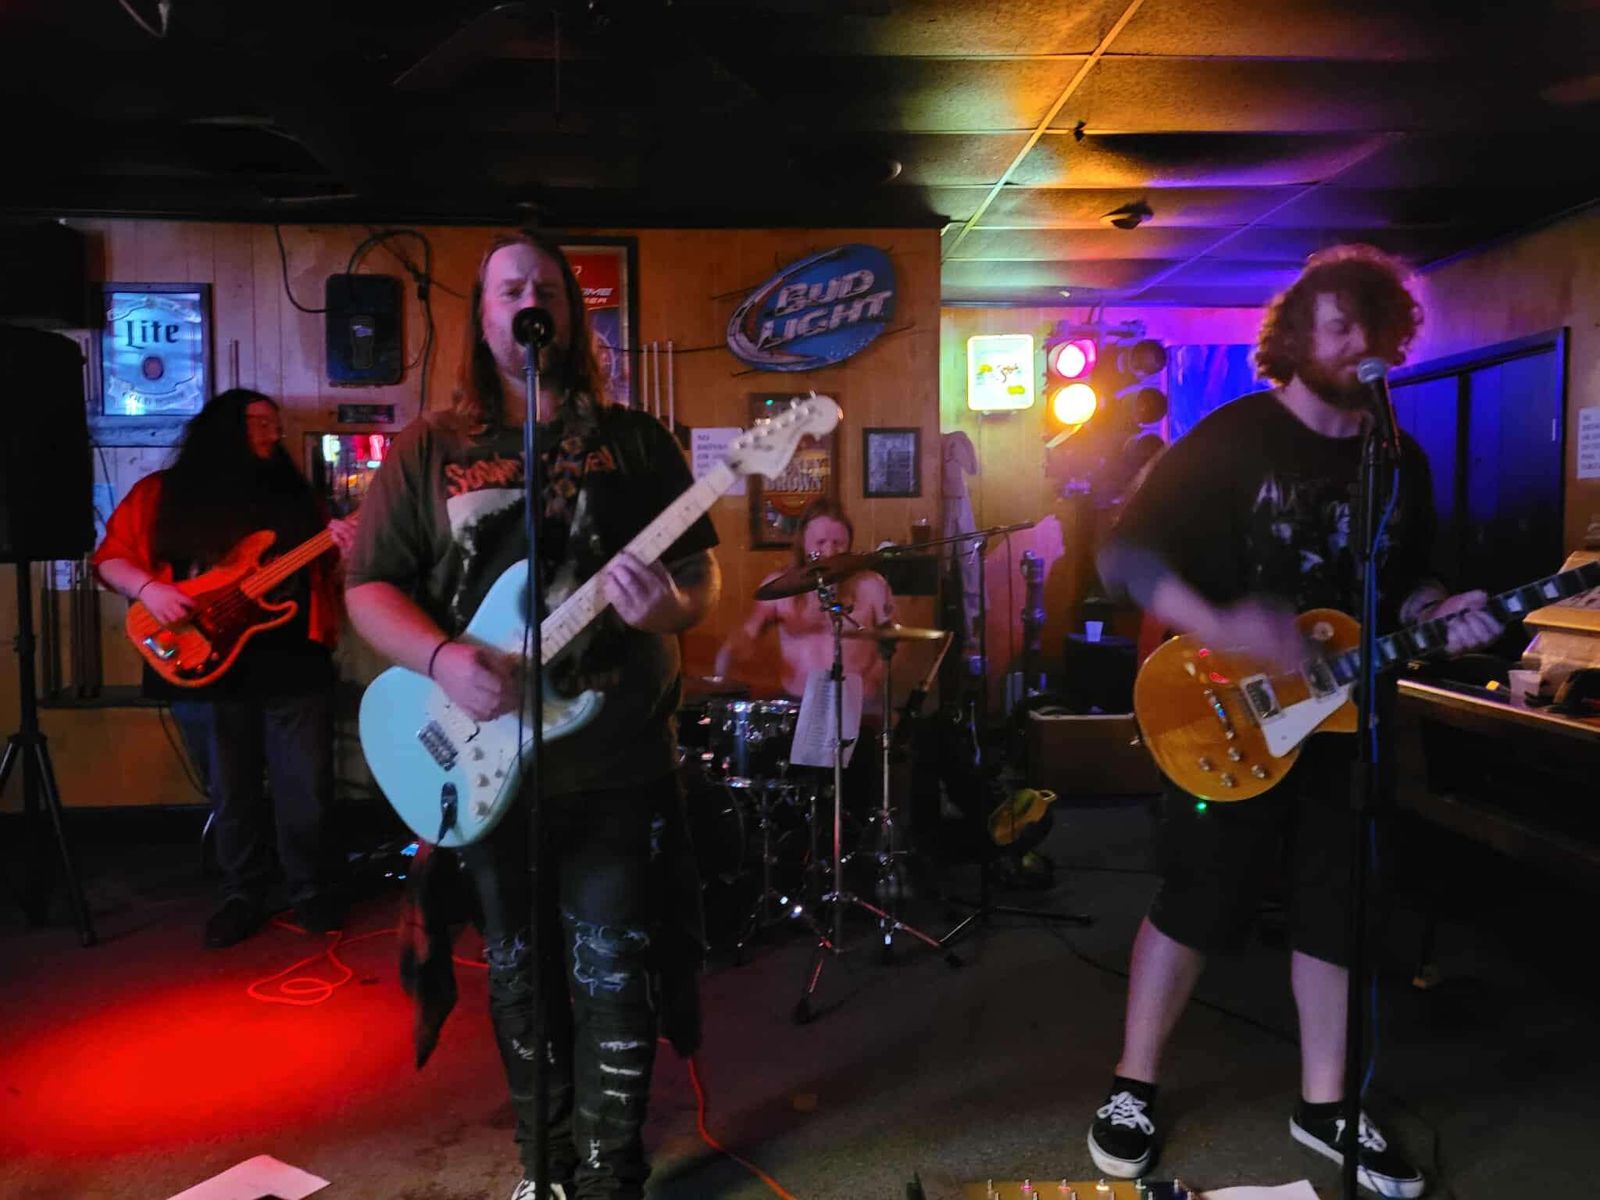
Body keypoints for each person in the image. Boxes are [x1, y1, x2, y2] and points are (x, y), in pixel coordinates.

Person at [1086, 245, 1502, 1197]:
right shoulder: (1235, 438)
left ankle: (1326, 1105)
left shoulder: (1400, 458)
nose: (1359, 342)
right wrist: (1223, 622)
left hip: (1346, 721)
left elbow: (1410, 579)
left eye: (1374, 325)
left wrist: (1437, 611)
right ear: (1297, 337)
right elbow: (1126, 556)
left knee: (1337, 908)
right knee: (1196, 896)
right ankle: (1132, 1087)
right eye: (1339, 324)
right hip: (1226, 711)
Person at [343, 229, 720, 1200]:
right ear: (483, 316)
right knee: (518, 975)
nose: (528, 300)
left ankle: (610, 1175)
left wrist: (665, 607)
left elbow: (700, 575)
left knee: (614, 971)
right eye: (508, 288)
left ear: (571, 314)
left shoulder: (635, 440)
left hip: (617, 758)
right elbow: (367, 588)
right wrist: (443, 658)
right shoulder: (431, 447)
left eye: (546, 287)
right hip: (483, 762)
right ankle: (543, 1166)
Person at [92, 388, 355, 948]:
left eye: (275, 424)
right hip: (202, 660)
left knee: (307, 788)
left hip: (294, 659)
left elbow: (330, 573)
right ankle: (242, 893)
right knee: (231, 792)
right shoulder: (160, 494)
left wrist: (346, 550)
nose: (273, 433)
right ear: (222, 429)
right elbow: (110, 558)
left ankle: (310, 889)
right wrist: (150, 591)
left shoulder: (299, 499)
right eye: (259, 423)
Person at [713, 499, 896, 709]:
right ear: (803, 543)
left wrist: (874, 677)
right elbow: (748, 634)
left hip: (858, 701)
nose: (830, 551)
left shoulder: (872, 585)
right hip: (796, 702)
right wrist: (731, 653)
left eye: (838, 543)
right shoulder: (780, 588)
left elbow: (897, 640)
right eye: (820, 542)